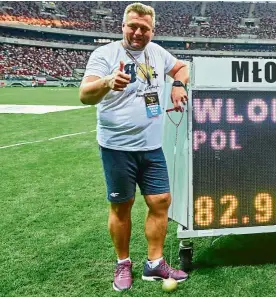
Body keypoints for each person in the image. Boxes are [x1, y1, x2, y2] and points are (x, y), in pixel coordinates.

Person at [79, 2, 189, 291]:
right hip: (117, 147)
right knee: (121, 206)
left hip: (151, 146)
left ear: (152, 30)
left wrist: (179, 84)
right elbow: (85, 96)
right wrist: (107, 81)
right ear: (123, 26)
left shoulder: (157, 53)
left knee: (161, 201)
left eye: (145, 28)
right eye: (133, 26)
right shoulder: (105, 54)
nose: (138, 32)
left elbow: (182, 67)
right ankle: (123, 263)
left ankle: (154, 264)